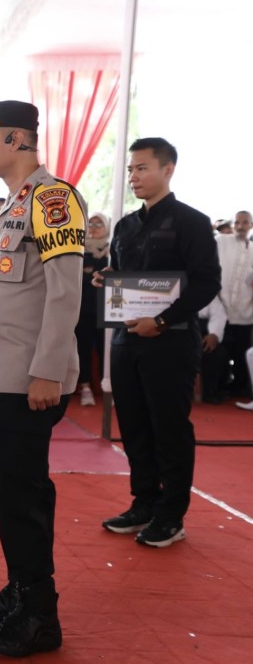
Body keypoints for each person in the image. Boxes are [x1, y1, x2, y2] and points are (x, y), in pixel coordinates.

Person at [0, 101, 85, 657]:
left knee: (22, 492)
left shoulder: (53, 198)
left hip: (34, 380)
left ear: (17, 139)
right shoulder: (14, 204)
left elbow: (64, 292)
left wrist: (47, 372)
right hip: (8, 377)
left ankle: (39, 616)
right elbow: (10, 304)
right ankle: (20, 592)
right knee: (7, 490)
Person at [96, 137, 220, 549]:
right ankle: (144, 503)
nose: (134, 176)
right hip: (126, 340)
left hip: (171, 341)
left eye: (142, 168)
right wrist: (108, 279)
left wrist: (163, 320)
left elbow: (206, 283)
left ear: (168, 170)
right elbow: (126, 275)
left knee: (169, 428)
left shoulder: (192, 222)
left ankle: (171, 515)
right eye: (131, 169)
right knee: (132, 425)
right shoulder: (126, 225)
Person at [216, 210, 253, 398]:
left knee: (241, 354)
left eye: (244, 222)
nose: (239, 226)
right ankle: (220, 387)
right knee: (220, 352)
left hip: (245, 314)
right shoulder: (222, 242)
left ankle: (240, 387)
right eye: (237, 222)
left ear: (251, 225)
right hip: (220, 310)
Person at [75, 213, 111, 406]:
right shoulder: (79, 248)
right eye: (91, 223)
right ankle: (85, 386)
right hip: (84, 307)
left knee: (108, 348)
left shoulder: (112, 250)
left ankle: (110, 388)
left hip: (109, 307)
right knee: (84, 347)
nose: (95, 227)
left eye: (100, 223)